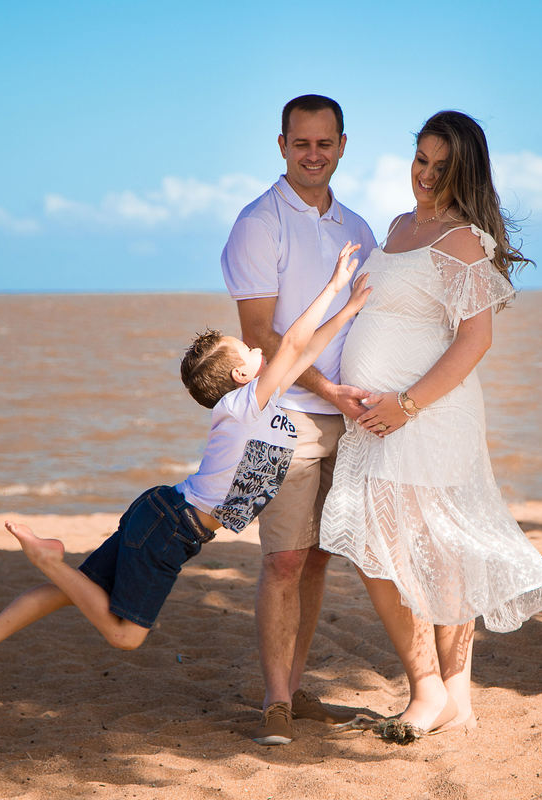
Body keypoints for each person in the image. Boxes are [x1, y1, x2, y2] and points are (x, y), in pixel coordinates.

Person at [0, 242, 370, 712]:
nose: (254, 345)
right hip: (170, 530)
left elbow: (305, 351)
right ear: (244, 373)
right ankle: (46, 560)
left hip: (161, 513)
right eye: (245, 347)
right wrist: (332, 286)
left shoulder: (253, 403)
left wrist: (350, 307)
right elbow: (291, 344)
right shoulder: (244, 406)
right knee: (125, 636)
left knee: (80, 590)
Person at [319, 110, 542, 742]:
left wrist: (408, 403)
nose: (424, 175)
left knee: (428, 556)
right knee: (388, 551)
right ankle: (451, 695)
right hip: (378, 421)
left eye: (440, 166)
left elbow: (475, 340)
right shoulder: (398, 227)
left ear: (465, 173)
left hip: (425, 417)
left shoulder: (461, 241)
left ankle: (434, 692)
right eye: (420, 159)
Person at [221, 94, 377, 745]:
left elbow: (376, 324)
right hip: (280, 417)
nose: (313, 154)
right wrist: (330, 388)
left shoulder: (360, 231)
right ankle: (275, 701)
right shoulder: (258, 223)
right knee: (281, 560)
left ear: (342, 146)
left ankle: (298, 682)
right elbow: (260, 338)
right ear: (281, 145)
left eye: (325, 143)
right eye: (301, 143)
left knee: (317, 559)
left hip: (349, 417)